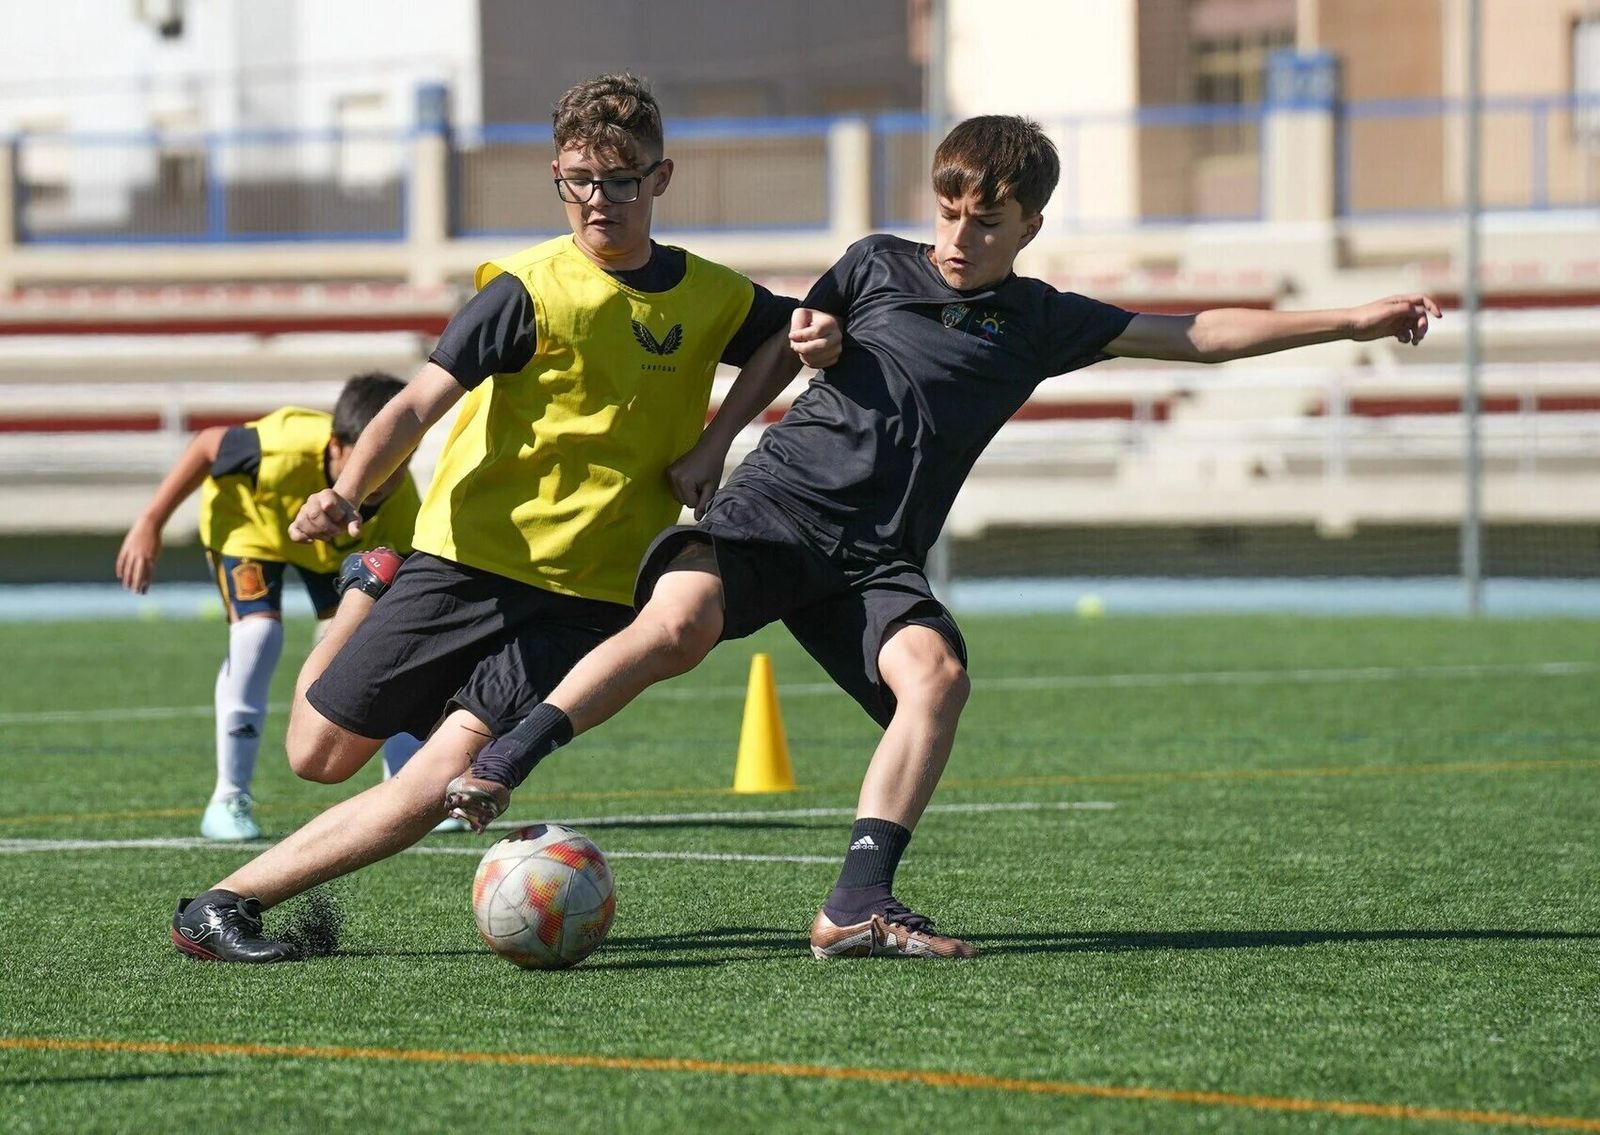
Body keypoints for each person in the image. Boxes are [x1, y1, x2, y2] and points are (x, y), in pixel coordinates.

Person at [442, 114, 1443, 960]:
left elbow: (1194, 335)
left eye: (987, 221)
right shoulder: (877, 262)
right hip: (779, 512)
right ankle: (505, 758)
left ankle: (854, 905)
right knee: (682, 622)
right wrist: (781, 376)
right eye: (951, 212)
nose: (960, 236)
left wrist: (1351, 321)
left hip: (874, 558)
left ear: (1028, 226)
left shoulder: (1039, 320)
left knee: (937, 676)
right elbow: (802, 336)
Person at [167, 72, 841, 962]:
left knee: (444, 776)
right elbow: (412, 407)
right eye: (580, 181)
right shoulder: (526, 289)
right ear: (558, 178)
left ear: (661, 177)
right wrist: (350, 498)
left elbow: (785, 338)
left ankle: (222, 905)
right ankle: (369, 591)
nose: (601, 201)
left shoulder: (712, 294)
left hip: (593, 597)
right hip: (466, 562)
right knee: (316, 753)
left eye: (625, 178)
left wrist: (718, 443)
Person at [116, 372, 425, 841]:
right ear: (339, 445)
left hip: (330, 544)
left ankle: (408, 788)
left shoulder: (404, 505)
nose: (384, 476)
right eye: (372, 458)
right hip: (251, 524)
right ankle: (228, 797)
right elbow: (206, 446)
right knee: (258, 635)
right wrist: (150, 523)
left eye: (399, 462)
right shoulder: (279, 447)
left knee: (391, 635)